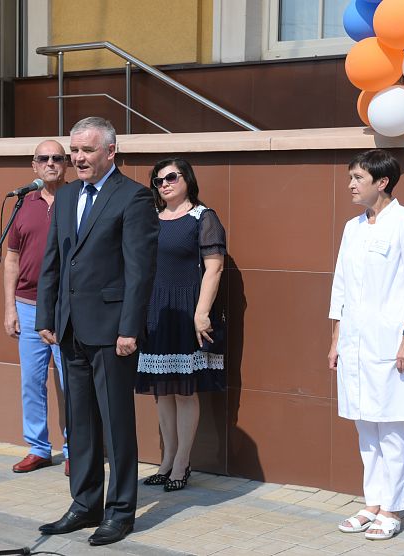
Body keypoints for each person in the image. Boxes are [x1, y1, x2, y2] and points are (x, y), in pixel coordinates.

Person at [35, 117, 159, 546]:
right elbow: (54, 259)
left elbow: (140, 272)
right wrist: (46, 317)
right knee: (80, 422)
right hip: (70, 328)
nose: (78, 158)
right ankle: (84, 504)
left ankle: (121, 511)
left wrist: (130, 328)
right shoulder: (66, 195)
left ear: (110, 152)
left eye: (87, 150)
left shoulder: (135, 198)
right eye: (75, 150)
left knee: (116, 424)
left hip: (112, 332)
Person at [328, 149, 404, 541]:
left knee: (390, 425)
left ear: (381, 182)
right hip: (354, 341)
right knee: (364, 424)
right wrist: (336, 337)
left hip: (391, 343)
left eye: (358, 178)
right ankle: (372, 501)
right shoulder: (353, 227)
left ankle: (392, 507)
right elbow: (340, 285)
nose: (351, 185)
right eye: (350, 178)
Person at [135, 158, 226, 493]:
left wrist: (201, 313)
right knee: (163, 392)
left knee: (184, 392)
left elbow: (213, 268)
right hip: (157, 310)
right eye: (158, 181)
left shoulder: (204, 218)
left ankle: (182, 463)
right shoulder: (151, 219)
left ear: (187, 178)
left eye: (171, 177)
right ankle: (166, 460)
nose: (165, 184)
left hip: (188, 309)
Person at [4, 140, 69, 475]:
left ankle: (76, 448)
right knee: (31, 381)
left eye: (57, 158)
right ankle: (38, 447)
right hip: (27, 306)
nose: (50, 163)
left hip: (65, 307)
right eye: (43, 158)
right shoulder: (23, 205)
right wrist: (9, 308)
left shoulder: (77, 200)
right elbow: (11, 259)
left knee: (71, 381)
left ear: (67, 164)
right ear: (34, 165)